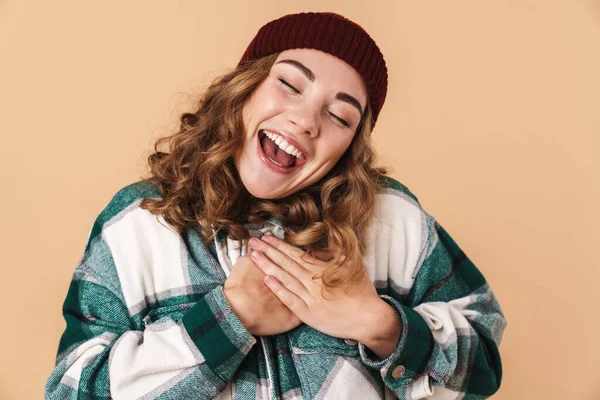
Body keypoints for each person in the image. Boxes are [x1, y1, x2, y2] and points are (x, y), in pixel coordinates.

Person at [45, 11, 506, 400]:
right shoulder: (137, 222)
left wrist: (381, 324)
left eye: (340, 115)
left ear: (350, 145)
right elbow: (70, 389)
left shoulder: (391, 220)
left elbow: (482, 365)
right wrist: (229, 319)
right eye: (289, 84)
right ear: (244, 89)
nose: (306, 120)